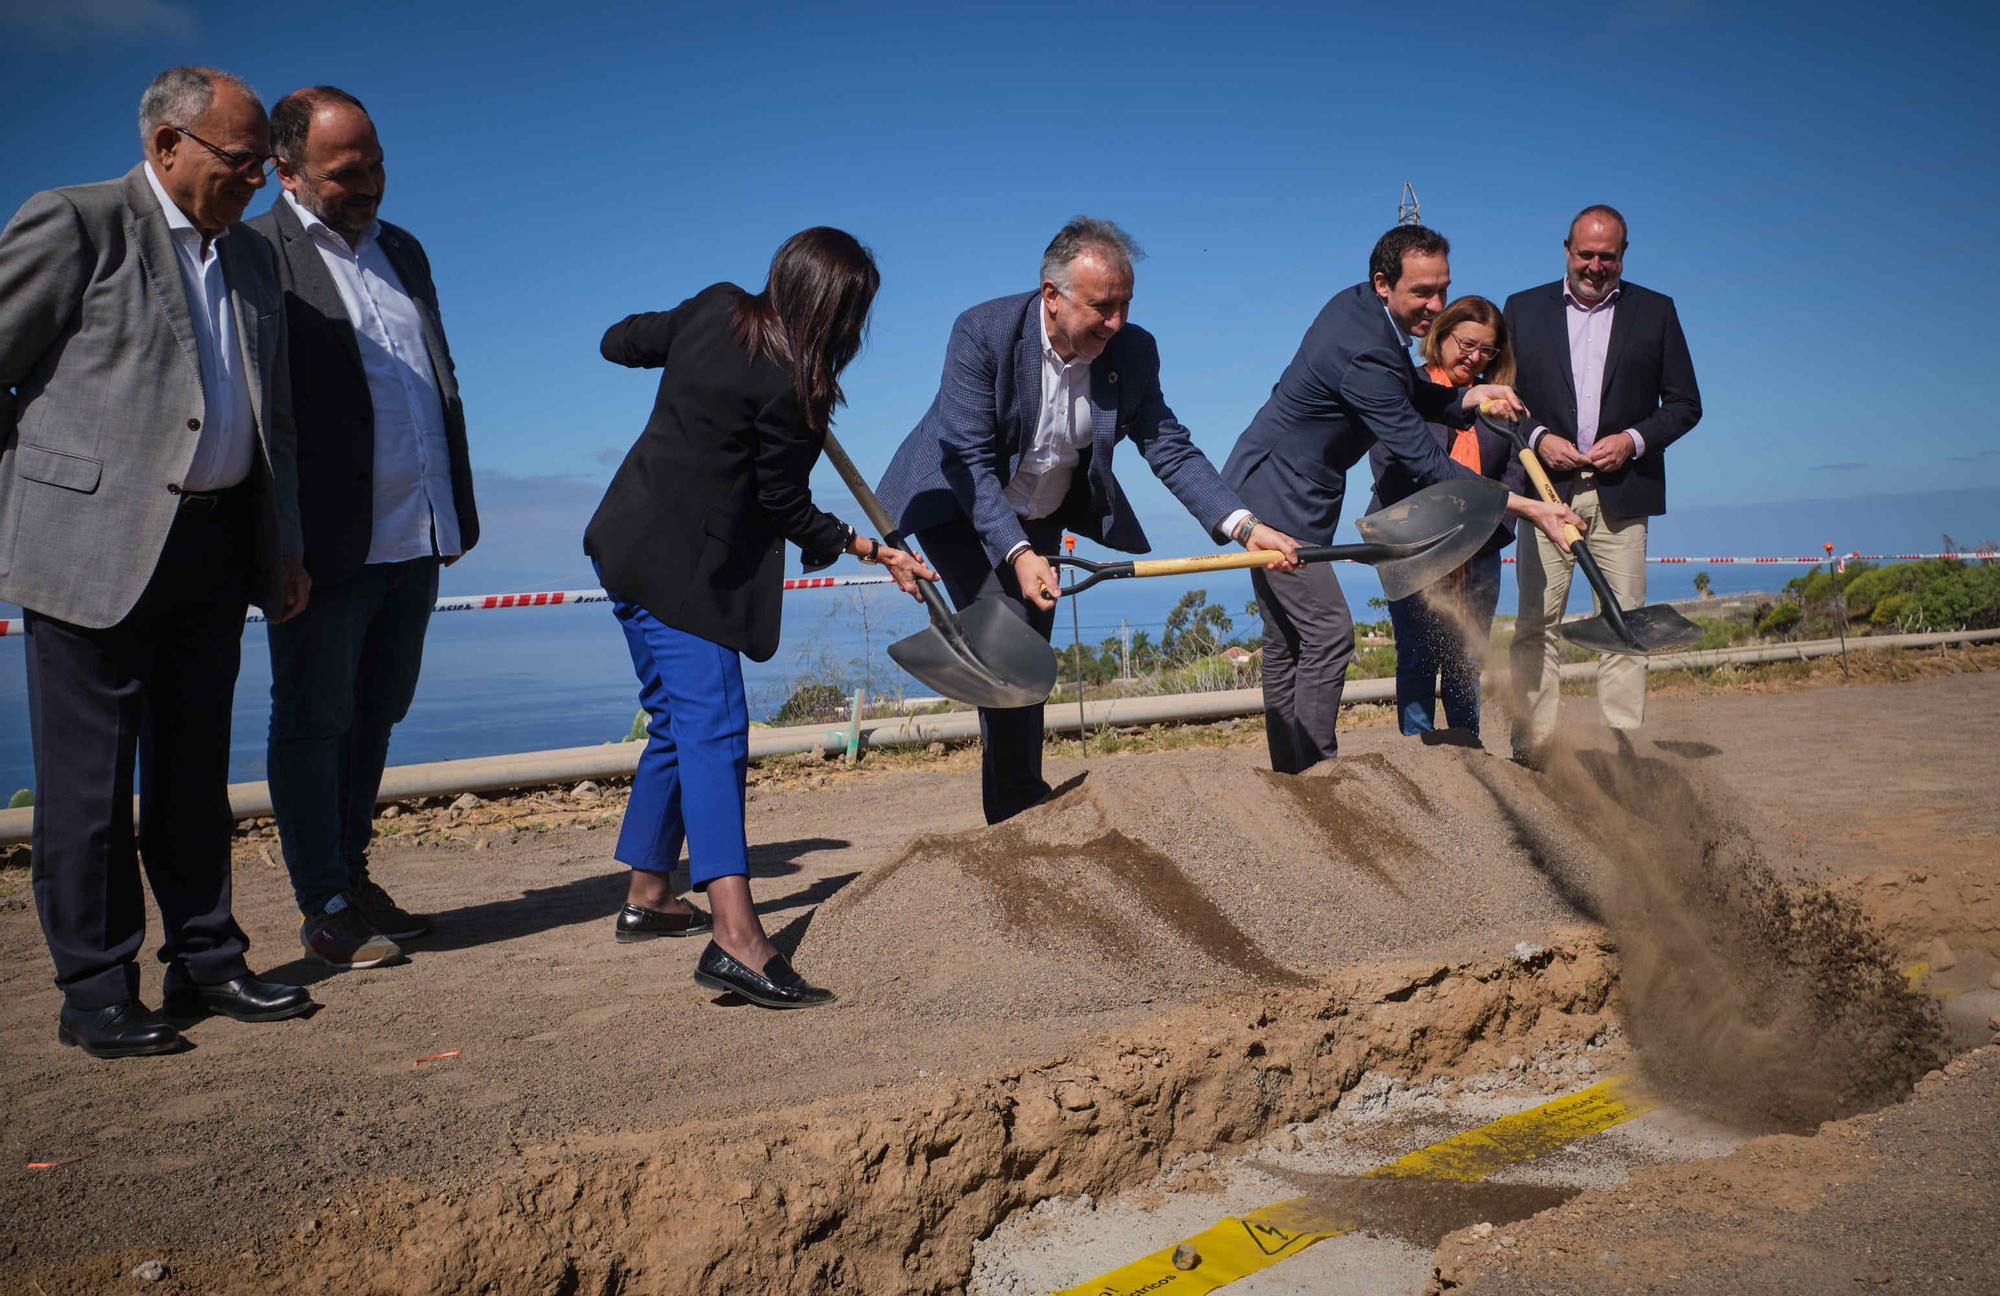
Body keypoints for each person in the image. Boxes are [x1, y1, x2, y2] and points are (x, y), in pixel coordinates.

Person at [0, 67, 313, 1058]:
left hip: (216, 547)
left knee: (192, 775)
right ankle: (94, 990)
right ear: (168, 142)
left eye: (265, 165)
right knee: (88, 787)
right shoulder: (78, 222)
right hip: (91, 551)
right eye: (240, 160)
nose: (256, 181)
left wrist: (284, 547)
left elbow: (276, 420)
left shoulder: (255, 261)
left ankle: (207, 960)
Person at [583, 228, 933, 1009]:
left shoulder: (712, 309)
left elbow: (621, 342)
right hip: (687, 579)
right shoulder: (791, 392)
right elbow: (783, 505)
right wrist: (868, 548)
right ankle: (736, 939)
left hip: (625, 545)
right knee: (716, 731)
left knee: (676, 723)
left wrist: (665, 350)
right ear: (838, 316)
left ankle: (649, 893)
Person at [875, 217, 1302, 824]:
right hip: (958, 502)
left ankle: (1018, 799)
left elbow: (1168, 447)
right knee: (1008, 636)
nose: (1117, 322)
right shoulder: (982, 332)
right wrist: (1018, 555)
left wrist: (1243, 524)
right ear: (1052, 296)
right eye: (1102, 306)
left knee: (1027, 642)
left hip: (1042, 510)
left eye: (1125, 304)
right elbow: (968, 460)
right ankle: (1018, 812)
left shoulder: (1132, 351)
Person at [249, 86, 479, 970]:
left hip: (414, 533)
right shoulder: (258, 252)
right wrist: (278, 539)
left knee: (377, 714)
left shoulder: (404, 251)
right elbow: (264, 406)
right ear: (289, 172)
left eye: (377, 163)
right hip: (323, 545)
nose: (371, 184)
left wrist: (450, 503)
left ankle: (354, 871)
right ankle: (324, 902)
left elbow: (436, 379)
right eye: (348, 172)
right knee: (313, 719)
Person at [1221, 226, 1584, 774]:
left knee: (1287, 638)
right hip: (1279, 495)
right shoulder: (1367, 349)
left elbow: (1409, 390)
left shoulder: (1361, 310)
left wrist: (1467, 396)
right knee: (1326, 633)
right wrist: (1532, 509)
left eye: (1443, 289)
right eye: (1423, 293)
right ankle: (1318, 777)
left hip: (1286, 483)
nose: (1435, 305)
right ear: (1383, 283)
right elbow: (1430, 464)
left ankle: (1289, 775)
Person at [1503, 205, 1702, 760]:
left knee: (1624, 621)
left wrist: (1633, 439)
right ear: (1566, 248)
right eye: (1585, 254)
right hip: (1546, 494)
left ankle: (1622, 749)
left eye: (1606, 257)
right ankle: (1533, 747)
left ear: (1623, 255)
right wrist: (1539, 436)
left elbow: (1686, 405)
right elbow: (1500, 400)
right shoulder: (1521, 310)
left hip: (1625, 494)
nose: (1595, 266)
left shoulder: (1656, 312)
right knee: (1535, 623)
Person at [1366, 295, 1526, 742]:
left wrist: (1492, 525)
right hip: (1411, 539)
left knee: (1465, 655)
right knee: (1416, 652)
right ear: (1442, 335)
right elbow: (1386, 458)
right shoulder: (1408, 387)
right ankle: (1420, 757)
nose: (1474, 357)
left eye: (1487, 351)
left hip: (1480, 545)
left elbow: (1516, 469)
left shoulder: (1500, 403)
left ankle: (1466, 746)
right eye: (1467, 343)